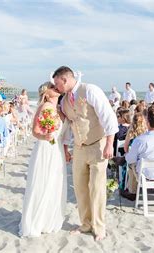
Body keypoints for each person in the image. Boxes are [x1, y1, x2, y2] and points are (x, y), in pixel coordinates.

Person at [53, 66, 118, 241]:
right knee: (80, 188)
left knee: (96, 188)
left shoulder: (90, 90)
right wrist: (66, 148)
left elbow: (108, 116)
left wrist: (110, 144)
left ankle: (99, 226)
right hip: (79, 148)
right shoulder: (64, 100)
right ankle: (86, 223)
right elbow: (68, 126)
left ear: (65, 79)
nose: (56, 87)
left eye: (57, 83)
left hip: (98, 145)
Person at [19, 82, 67, 238]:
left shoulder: (58, 108)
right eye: (53, 87)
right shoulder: (45, 107)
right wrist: (44, 136)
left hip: (56, 147)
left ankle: (48, 220)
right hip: (46, 148)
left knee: (53, 182)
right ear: (47, 93)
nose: (56, 89)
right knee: (43, 182)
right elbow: (35, 131)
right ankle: (37, 220)